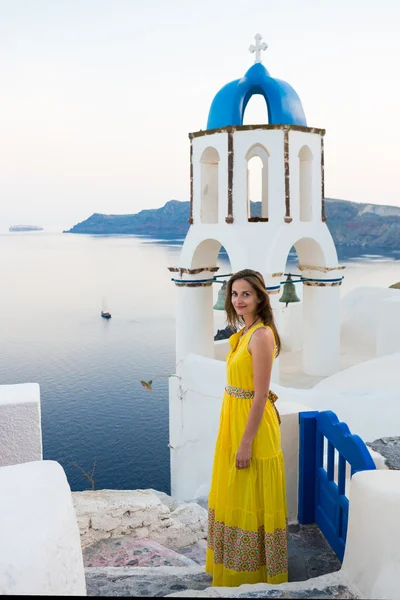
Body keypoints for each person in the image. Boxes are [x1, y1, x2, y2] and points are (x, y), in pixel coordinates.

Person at [205, 269, 288, 587]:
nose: (238, 300)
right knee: (236, 490)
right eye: (234, 294)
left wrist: (245, 443)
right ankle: (236, 570)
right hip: (234, 419)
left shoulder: (262, 335)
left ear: (259, 298)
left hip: (252, 425)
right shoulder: (244, 331)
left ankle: (255, 575)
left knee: (252, 495)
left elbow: (260, 394)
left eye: (246, 294)